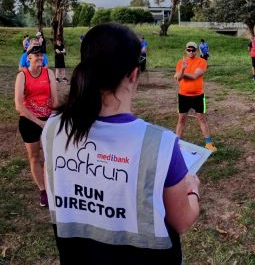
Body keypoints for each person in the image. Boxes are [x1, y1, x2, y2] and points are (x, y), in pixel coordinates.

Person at [42, 23, 200, 263]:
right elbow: (183, 220)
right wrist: (193, 189)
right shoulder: (159, 144)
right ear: (134, 73)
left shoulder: (53, 128)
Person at [15, 44, 58, 207]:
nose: (40, 57)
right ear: (29, 58)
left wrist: (52, 119)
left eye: (41, 55)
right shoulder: (22, 76)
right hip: (29, 121)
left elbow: (55, 100)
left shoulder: (49, 73)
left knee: (50, 155)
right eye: (36, 55)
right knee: (34, 156)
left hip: (48, 119)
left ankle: (52, 187)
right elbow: (19, 105)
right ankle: (43, 191)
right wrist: (40, 122)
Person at [174, 41, 217, 152]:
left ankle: (208, 143)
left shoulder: (202, 61)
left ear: (197, 51)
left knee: (201, 118)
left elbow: (194, 76)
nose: (191, 52)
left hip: (198, 96)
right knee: (181, 119)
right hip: (183, 96)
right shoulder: (181, 62)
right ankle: (176, 144)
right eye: (189, 50)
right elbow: (178, 78)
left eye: (193, 50)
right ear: (186, 50)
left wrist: (181, 74)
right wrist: (183, 69)